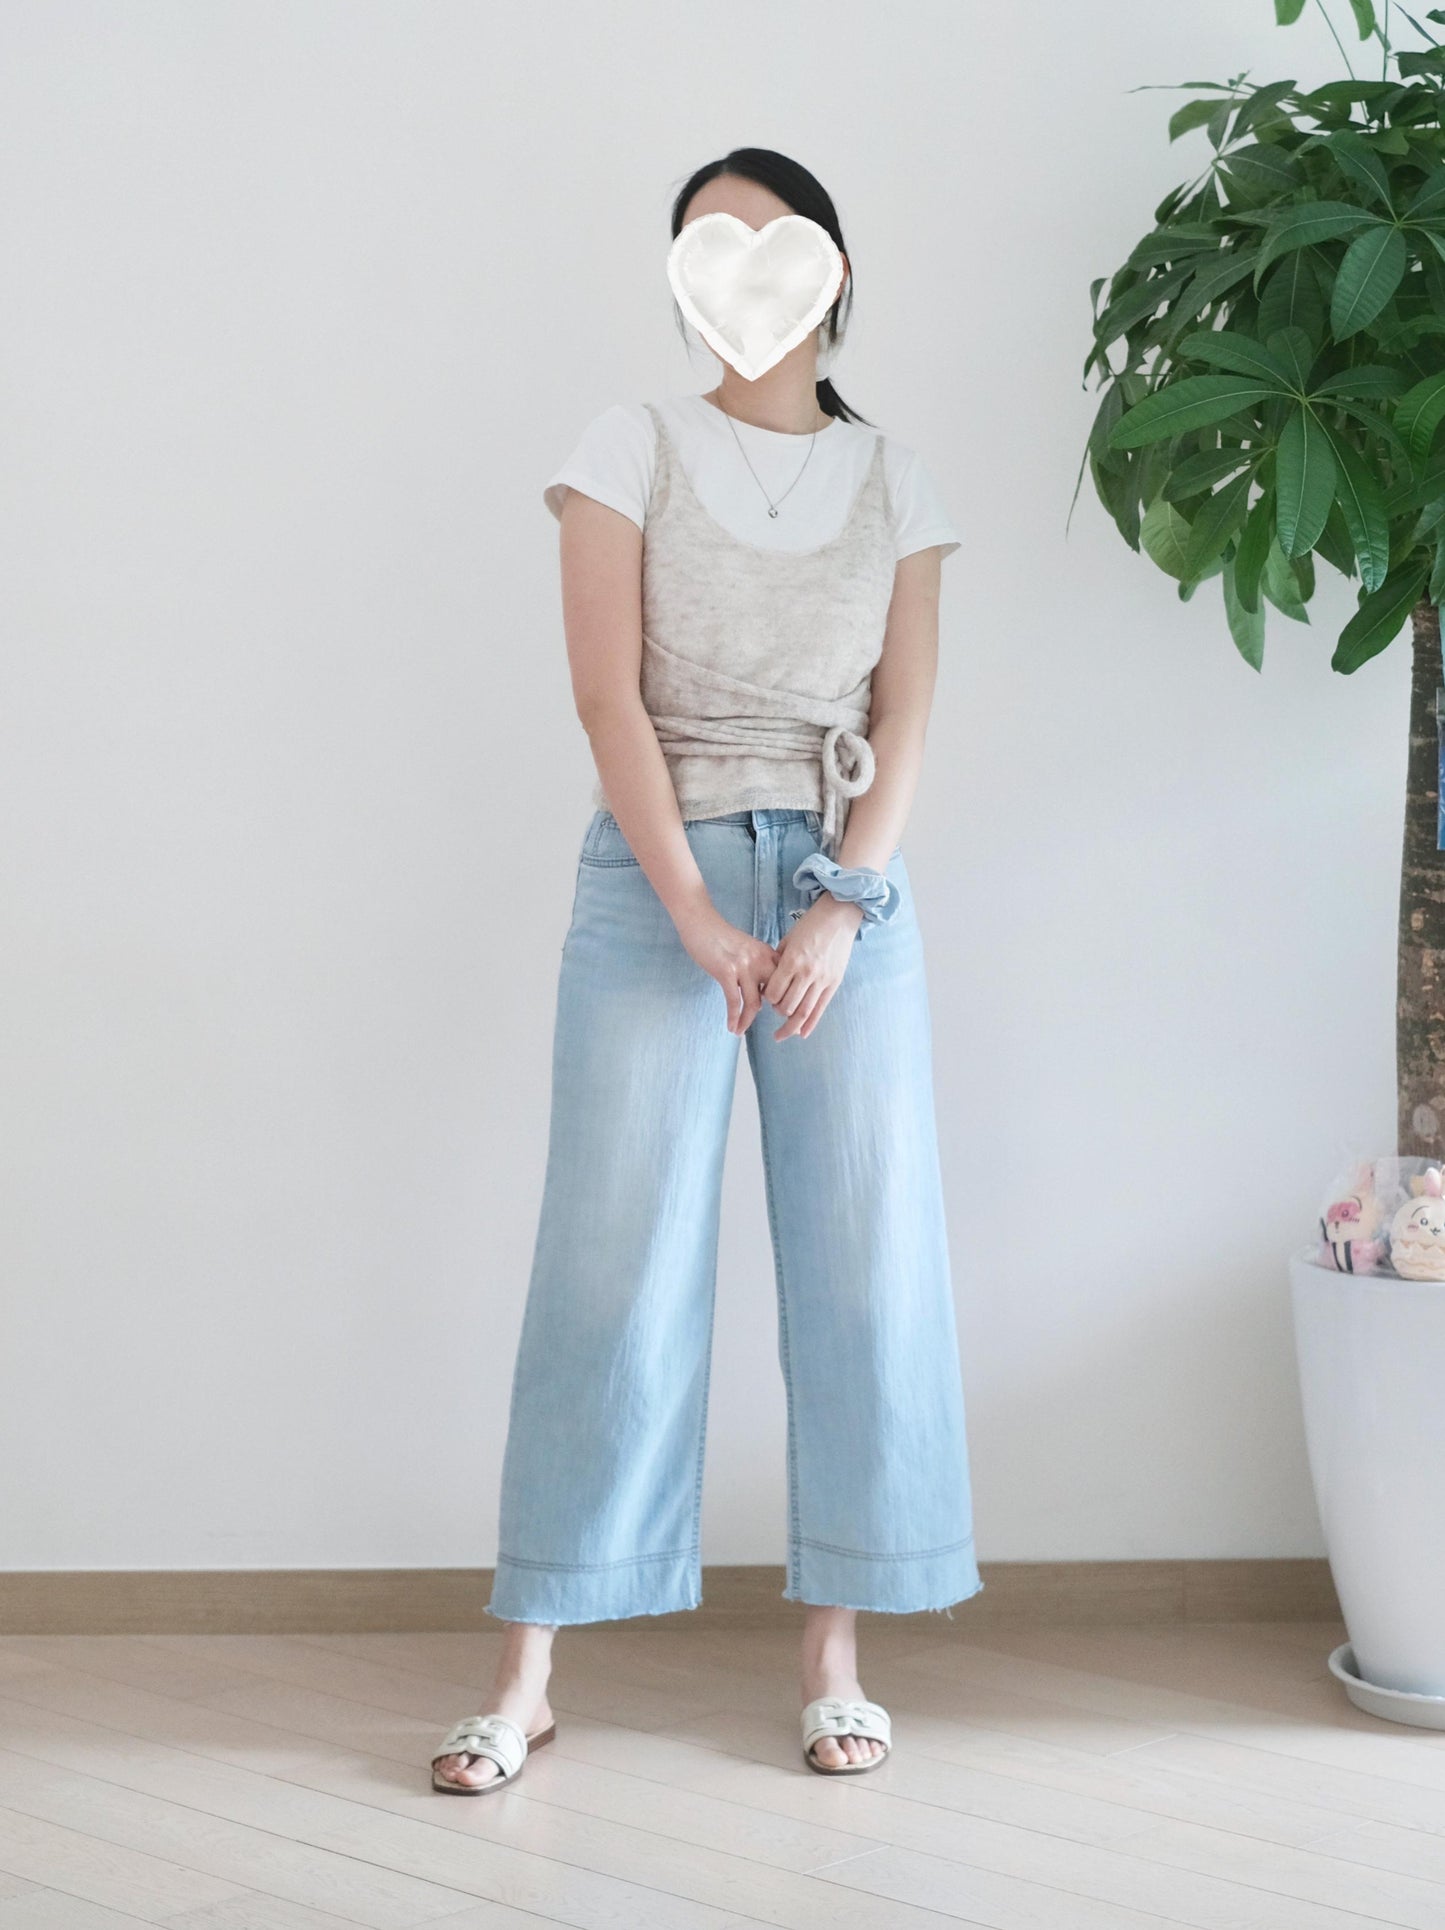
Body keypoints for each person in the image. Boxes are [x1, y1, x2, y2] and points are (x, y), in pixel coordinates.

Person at [432, 146, 983, 1796]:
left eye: (763, 237)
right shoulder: (631, 445)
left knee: (866, 1265)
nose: (733, 264)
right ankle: (526, 1676)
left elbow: (904, 719)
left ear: (828, 265)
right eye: (702, 244)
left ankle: (833, 1661)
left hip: (841, 889)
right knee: (609, 1263)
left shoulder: (895, 480)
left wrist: (839, 910)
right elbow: (606, 699)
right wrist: (689, 907)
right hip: (651, 878)